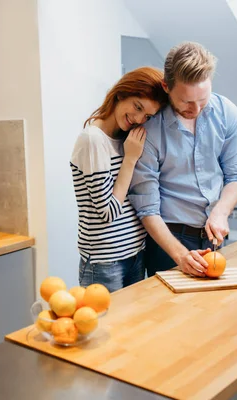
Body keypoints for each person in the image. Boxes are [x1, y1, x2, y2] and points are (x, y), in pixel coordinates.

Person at [129, 42, 237, 278]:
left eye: (203, 100)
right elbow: (147, 208)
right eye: (186, 102)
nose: (196, 109)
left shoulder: (228, 113)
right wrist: (181, 256)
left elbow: (236, 176)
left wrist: (221, 212)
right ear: (166, 86)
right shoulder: (150, 129)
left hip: (214, 236)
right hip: (168, 242)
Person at [70, 67, 168, 293]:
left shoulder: (126, 139)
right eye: (137, 106)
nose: (138, 119)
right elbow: (108, 212)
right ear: (122, 93)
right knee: (106, 327)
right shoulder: (93, 140)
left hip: (135, 254)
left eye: (147, 116)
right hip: (105, 263)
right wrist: (130, 159)